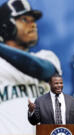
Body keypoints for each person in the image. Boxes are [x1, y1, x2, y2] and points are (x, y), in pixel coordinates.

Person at [0, 0, 61, 134]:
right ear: (6, 26)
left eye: (33, 20)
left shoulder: (46, 56)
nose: (33, 25)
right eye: (24, 20)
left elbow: (43, 70)